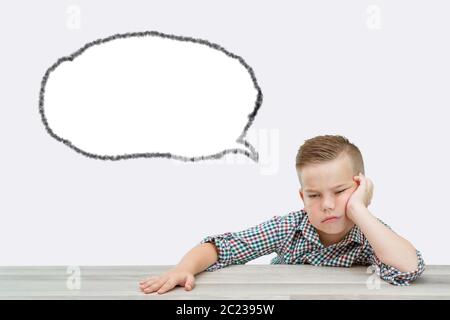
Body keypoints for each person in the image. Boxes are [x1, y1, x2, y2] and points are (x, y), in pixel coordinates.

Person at [139, 135, 425, 294]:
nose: (327, 204)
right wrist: (183, 268)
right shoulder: (290, 227)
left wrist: (359, 209)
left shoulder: (370, 232)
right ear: (303, 197)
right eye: (314, 195)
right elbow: (222, 247)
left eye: (339, 192)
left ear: (360, 186)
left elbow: (408, 268)